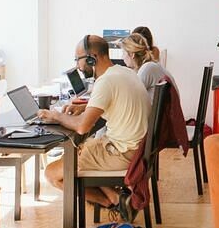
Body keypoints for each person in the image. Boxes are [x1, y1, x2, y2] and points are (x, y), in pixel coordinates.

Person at [38, 35, 151, 219]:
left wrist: (55, 115)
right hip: (137, 149)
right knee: (83, 148)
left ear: (92, 58)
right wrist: (86, 107)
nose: (78, 66)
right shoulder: (124, 72)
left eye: (78, 60)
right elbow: (113, 101)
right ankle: (117, 198)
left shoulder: (105, 81)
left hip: (122, 154)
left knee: (52, 173)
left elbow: (82, 127)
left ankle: (114, 202)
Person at [120, 28, 177, 103]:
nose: (122, 57)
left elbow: (129, 98)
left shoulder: (147, 68)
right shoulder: (152, 66)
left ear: (132, 54)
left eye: (123, 53)